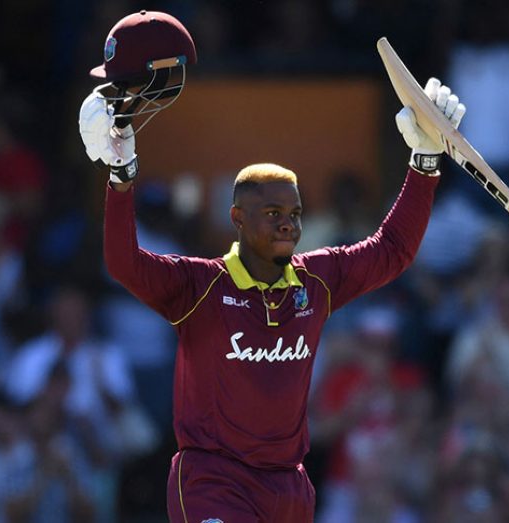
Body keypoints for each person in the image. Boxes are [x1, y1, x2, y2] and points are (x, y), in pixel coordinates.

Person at [77, 10, 466, 522]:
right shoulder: (199, 286)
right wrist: (121, 177)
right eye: (273, 214)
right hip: (213, 481)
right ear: (237, 219)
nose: (288, 225)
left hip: (288, 490)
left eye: (295, 214)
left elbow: (393, 249)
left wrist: (424, 163)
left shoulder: (317, 280)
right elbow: (123, 263)